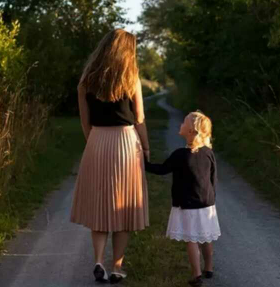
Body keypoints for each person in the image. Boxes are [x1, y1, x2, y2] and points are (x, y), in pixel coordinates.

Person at [70, 29, 150, 284]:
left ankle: (98, 261)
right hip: (126, 142)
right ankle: (116, 267)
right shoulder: (131, 78)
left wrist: (94, 142)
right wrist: (146, 148)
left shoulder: (86, 80)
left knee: (100, 206)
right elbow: (139, 118)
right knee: (124, 207)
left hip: (97, 141)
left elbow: (85, 122)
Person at [144, 111, 221, 287]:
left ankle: (196, 274)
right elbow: (213, 179)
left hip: (187, 205)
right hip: (206, 204)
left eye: (184, 122)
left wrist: (144, 164)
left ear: (191, 131)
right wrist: (211, 199)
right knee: (206, 237)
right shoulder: (209, 153)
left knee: (191, 239)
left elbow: (162, 169)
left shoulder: (180, 155)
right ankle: (208, 268)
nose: (181, 123)